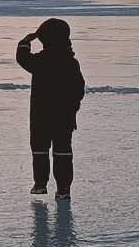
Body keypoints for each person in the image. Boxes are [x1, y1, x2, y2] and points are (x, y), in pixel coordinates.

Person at [15, 17, 86, 197]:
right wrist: (74, 107)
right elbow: (80, 88)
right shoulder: (71, 63)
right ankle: (64, 188)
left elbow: (22, 57)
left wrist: (25, 41)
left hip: (41, 116)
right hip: (65, 116)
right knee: (63, 151)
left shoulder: (41, 61)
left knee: (39, 148)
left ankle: (40, 183)